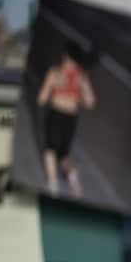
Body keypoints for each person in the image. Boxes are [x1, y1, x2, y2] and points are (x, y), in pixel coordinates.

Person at [36, 42, 95, 196]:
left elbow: (41, 100)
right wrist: (77, 92)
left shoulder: (55, 72)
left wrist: (52, 86)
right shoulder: (81, 76)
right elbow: (90, 103)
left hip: (56, 115)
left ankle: (53, 183)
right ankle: (73, 178)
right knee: (63, 155)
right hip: (71, 118)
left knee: (50, 150)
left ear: (65, 56)